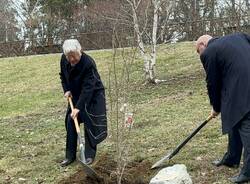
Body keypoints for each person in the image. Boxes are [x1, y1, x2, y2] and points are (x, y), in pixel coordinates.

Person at [196, 33, 250, 183]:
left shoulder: (209, 52)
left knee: (247, 127)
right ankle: (232, 158)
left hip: (243, 92)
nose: (200, 56)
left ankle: (248, 172)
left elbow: (212, 83)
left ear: (202, 46)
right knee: (234, 119)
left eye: (198, 52)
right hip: (237, 89)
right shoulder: (240, 36)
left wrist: (216, 107)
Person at [59, 39, 107, 167]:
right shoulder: (64, 60)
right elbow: (63, 76)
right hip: (76, 94)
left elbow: (88, 88)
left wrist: (78, 108)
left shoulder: (88, 63)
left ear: (80, 51)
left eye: (74, 56)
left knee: (89, 121)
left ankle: (89, 155)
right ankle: (70, 156)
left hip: (93, 95)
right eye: (69, 57)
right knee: (71, 121)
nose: (72, 59)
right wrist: (66, 90)